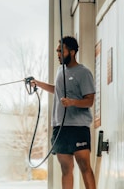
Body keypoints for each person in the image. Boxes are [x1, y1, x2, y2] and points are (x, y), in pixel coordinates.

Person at [31, 36, 96, 189]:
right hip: (60, 127)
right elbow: (57, 90)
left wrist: (72, 102)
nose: (58, 54)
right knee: (66, 169)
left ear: (72, 52)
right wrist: (38, 83)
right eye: (57, 51)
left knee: (84, 167)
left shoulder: (84, 73)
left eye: (61, 51)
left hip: (78, 127)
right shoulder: (60, 70)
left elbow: (89, 101)